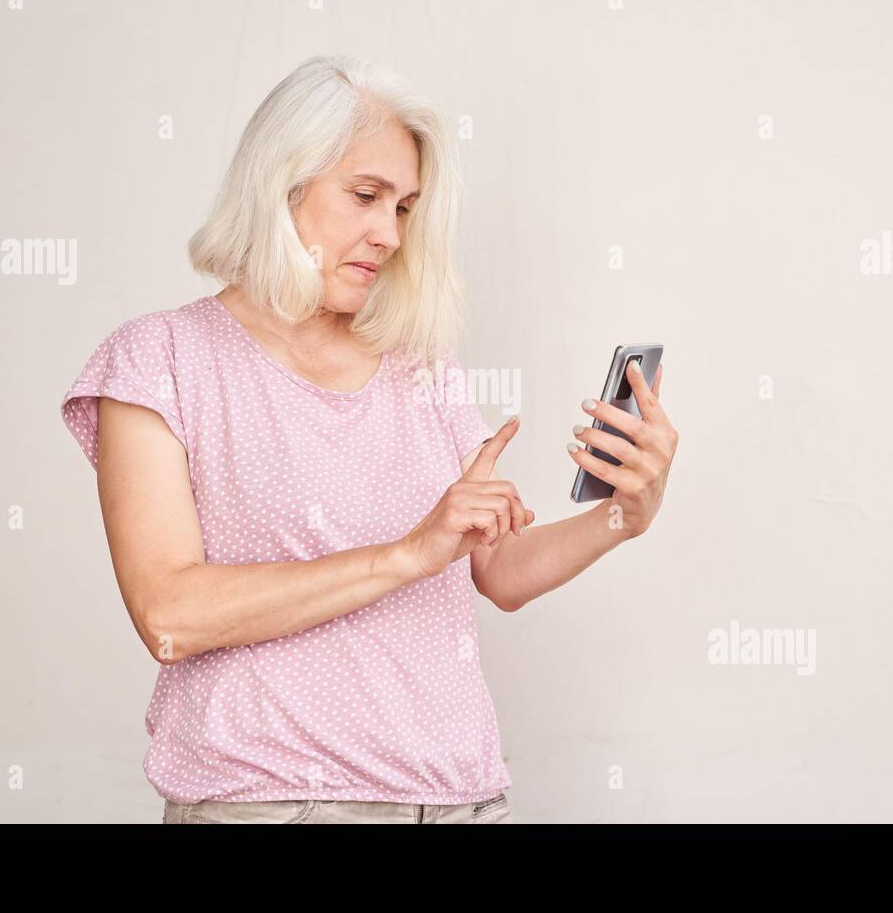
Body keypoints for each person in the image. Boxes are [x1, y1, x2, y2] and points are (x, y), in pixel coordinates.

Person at [59, 54, 677, 824]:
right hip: (276, 805)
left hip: (459, 802)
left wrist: (623, 515)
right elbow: (170, 617)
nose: (388, 235)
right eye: (365, 196)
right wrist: (406, 554)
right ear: (281, 185)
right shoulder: (160, 360)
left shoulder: (420, 364)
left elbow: (501, 571)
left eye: (405, 208)